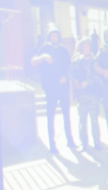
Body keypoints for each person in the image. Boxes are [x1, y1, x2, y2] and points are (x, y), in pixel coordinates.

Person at [30, 23, 76, 151]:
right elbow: (33, 61)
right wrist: (43, 57)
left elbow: (69, 67)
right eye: (52, 35)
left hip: (63, 87)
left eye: (56, 35)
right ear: (49, 36)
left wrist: (65, 77)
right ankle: (52, 144)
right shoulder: (45, 48)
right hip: (51, 88)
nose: (54, 37)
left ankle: (70, 140)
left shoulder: (63, 50)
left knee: (66, 115)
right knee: (51, 116)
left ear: (59, 36)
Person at [70, 38, 102, 150]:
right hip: (81, 95)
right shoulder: (77, 61)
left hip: (93, 95)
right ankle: (84, 143)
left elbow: (99, 77)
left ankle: (97, 142)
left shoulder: (95, 61)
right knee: (82, 120)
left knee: (94, 120)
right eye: (84, 47)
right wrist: (76, 85)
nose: (86, 49)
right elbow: (72, 74)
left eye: (88, 47)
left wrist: (88, 82)